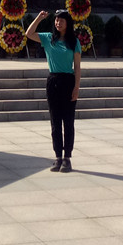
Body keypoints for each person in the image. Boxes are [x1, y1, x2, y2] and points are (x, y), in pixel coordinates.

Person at [27, 9, 81, 171]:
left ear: (68, 23)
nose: (58, 23)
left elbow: (77, 67)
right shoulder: (49, 38)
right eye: (56, 20)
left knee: (68, 122)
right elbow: (29, 33)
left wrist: (76, 87)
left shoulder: (74, 42)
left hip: (68, 81)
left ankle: (67, 158)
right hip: (53, 81)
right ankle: (58, 157)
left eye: (61, 20)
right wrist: (39, 18)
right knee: (55, 121)